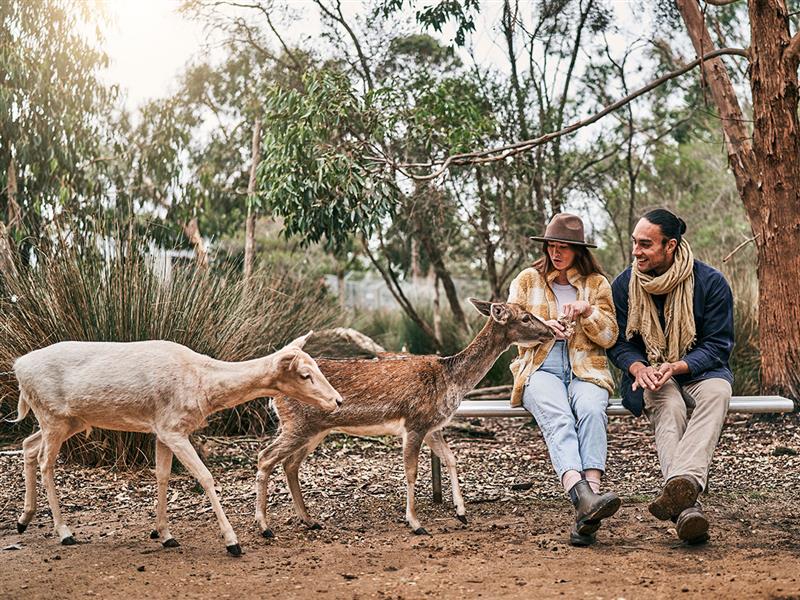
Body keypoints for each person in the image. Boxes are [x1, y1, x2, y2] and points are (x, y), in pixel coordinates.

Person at [607, 208, 734, 545]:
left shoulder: (711, 283)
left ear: (671, 245)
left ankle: (682, 489)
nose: (636, 251)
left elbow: (719, 346)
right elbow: (617, 343)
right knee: (670, 407)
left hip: (698, 369)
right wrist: (639, 367)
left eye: (645, 244)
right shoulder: (624, 285)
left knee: (718, 394)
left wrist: (677, 366)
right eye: (634, 243)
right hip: (648, 374)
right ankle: (686, 507)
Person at [507, 212, 621, 547]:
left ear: (578, 250)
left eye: (564, 248)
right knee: (559, 418)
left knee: (590, 410)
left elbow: (611, 336)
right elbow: (510, 331)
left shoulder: (597, 284)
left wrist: (588, 313)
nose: (556, 253)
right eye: (551, 246)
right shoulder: (527, 280)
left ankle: (591, 506)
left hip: (587, 367)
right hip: (540, 368)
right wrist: (544, 331)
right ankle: (582, 496)